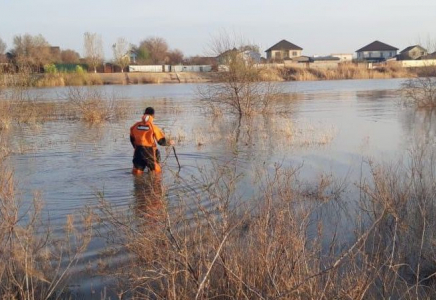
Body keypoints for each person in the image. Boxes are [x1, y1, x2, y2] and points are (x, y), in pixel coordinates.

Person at [130, 107, 174, 175]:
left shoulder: (135, 126)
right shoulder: (153, 127)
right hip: (150, 152)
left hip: (138, 152)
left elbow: (132, 139)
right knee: (156, 173)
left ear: (144, 114)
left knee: (137, 173)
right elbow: (161, 142)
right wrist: (170, 142)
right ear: (153, 116)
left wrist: (137, 148)